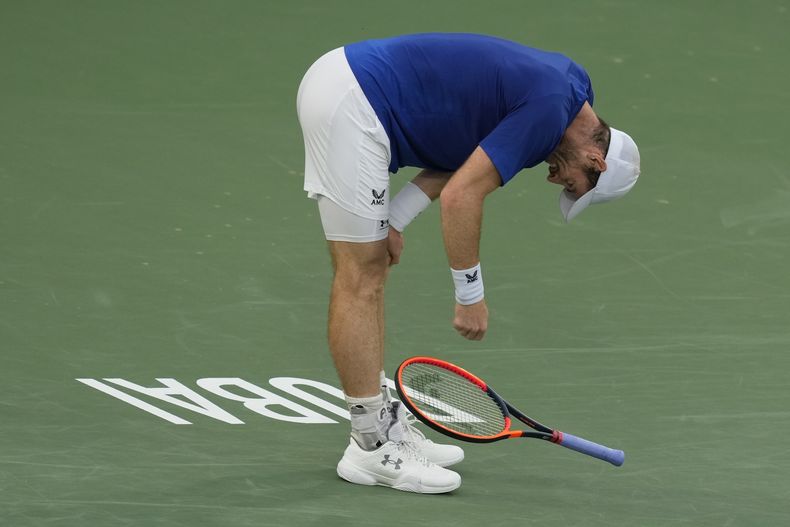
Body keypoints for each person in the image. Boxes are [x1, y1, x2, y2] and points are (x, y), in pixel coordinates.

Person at [296, 33, 640, 494]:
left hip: (353, 90)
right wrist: (469, 298)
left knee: (372, 265)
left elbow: (463, 153)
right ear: (595, 159)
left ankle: (380, 424)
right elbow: (462, 196)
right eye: (574, 185)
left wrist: (395, 218)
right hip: (353, 105)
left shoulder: (570, 98)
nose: (557, 181)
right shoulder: (548, 112)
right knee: (360, 274)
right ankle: (371, 445)